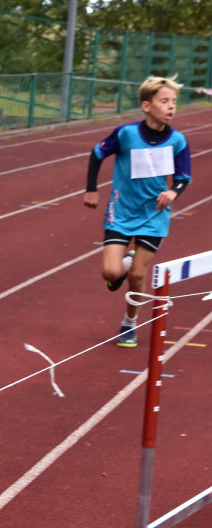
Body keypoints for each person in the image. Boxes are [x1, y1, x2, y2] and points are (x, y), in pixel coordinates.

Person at [83, 75, 191, 348]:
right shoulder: (126, 134)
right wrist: (92, 189)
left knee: (138, 277)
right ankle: (126, 261)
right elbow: (97, 154)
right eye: (164, 101)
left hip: (154, 214)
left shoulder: (177, 140)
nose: (171, 107)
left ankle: (129, 323)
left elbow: (183, 176)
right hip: (121, 211)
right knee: (110, 273)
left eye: (173, 102)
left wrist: (173, 192)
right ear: (146, 105)